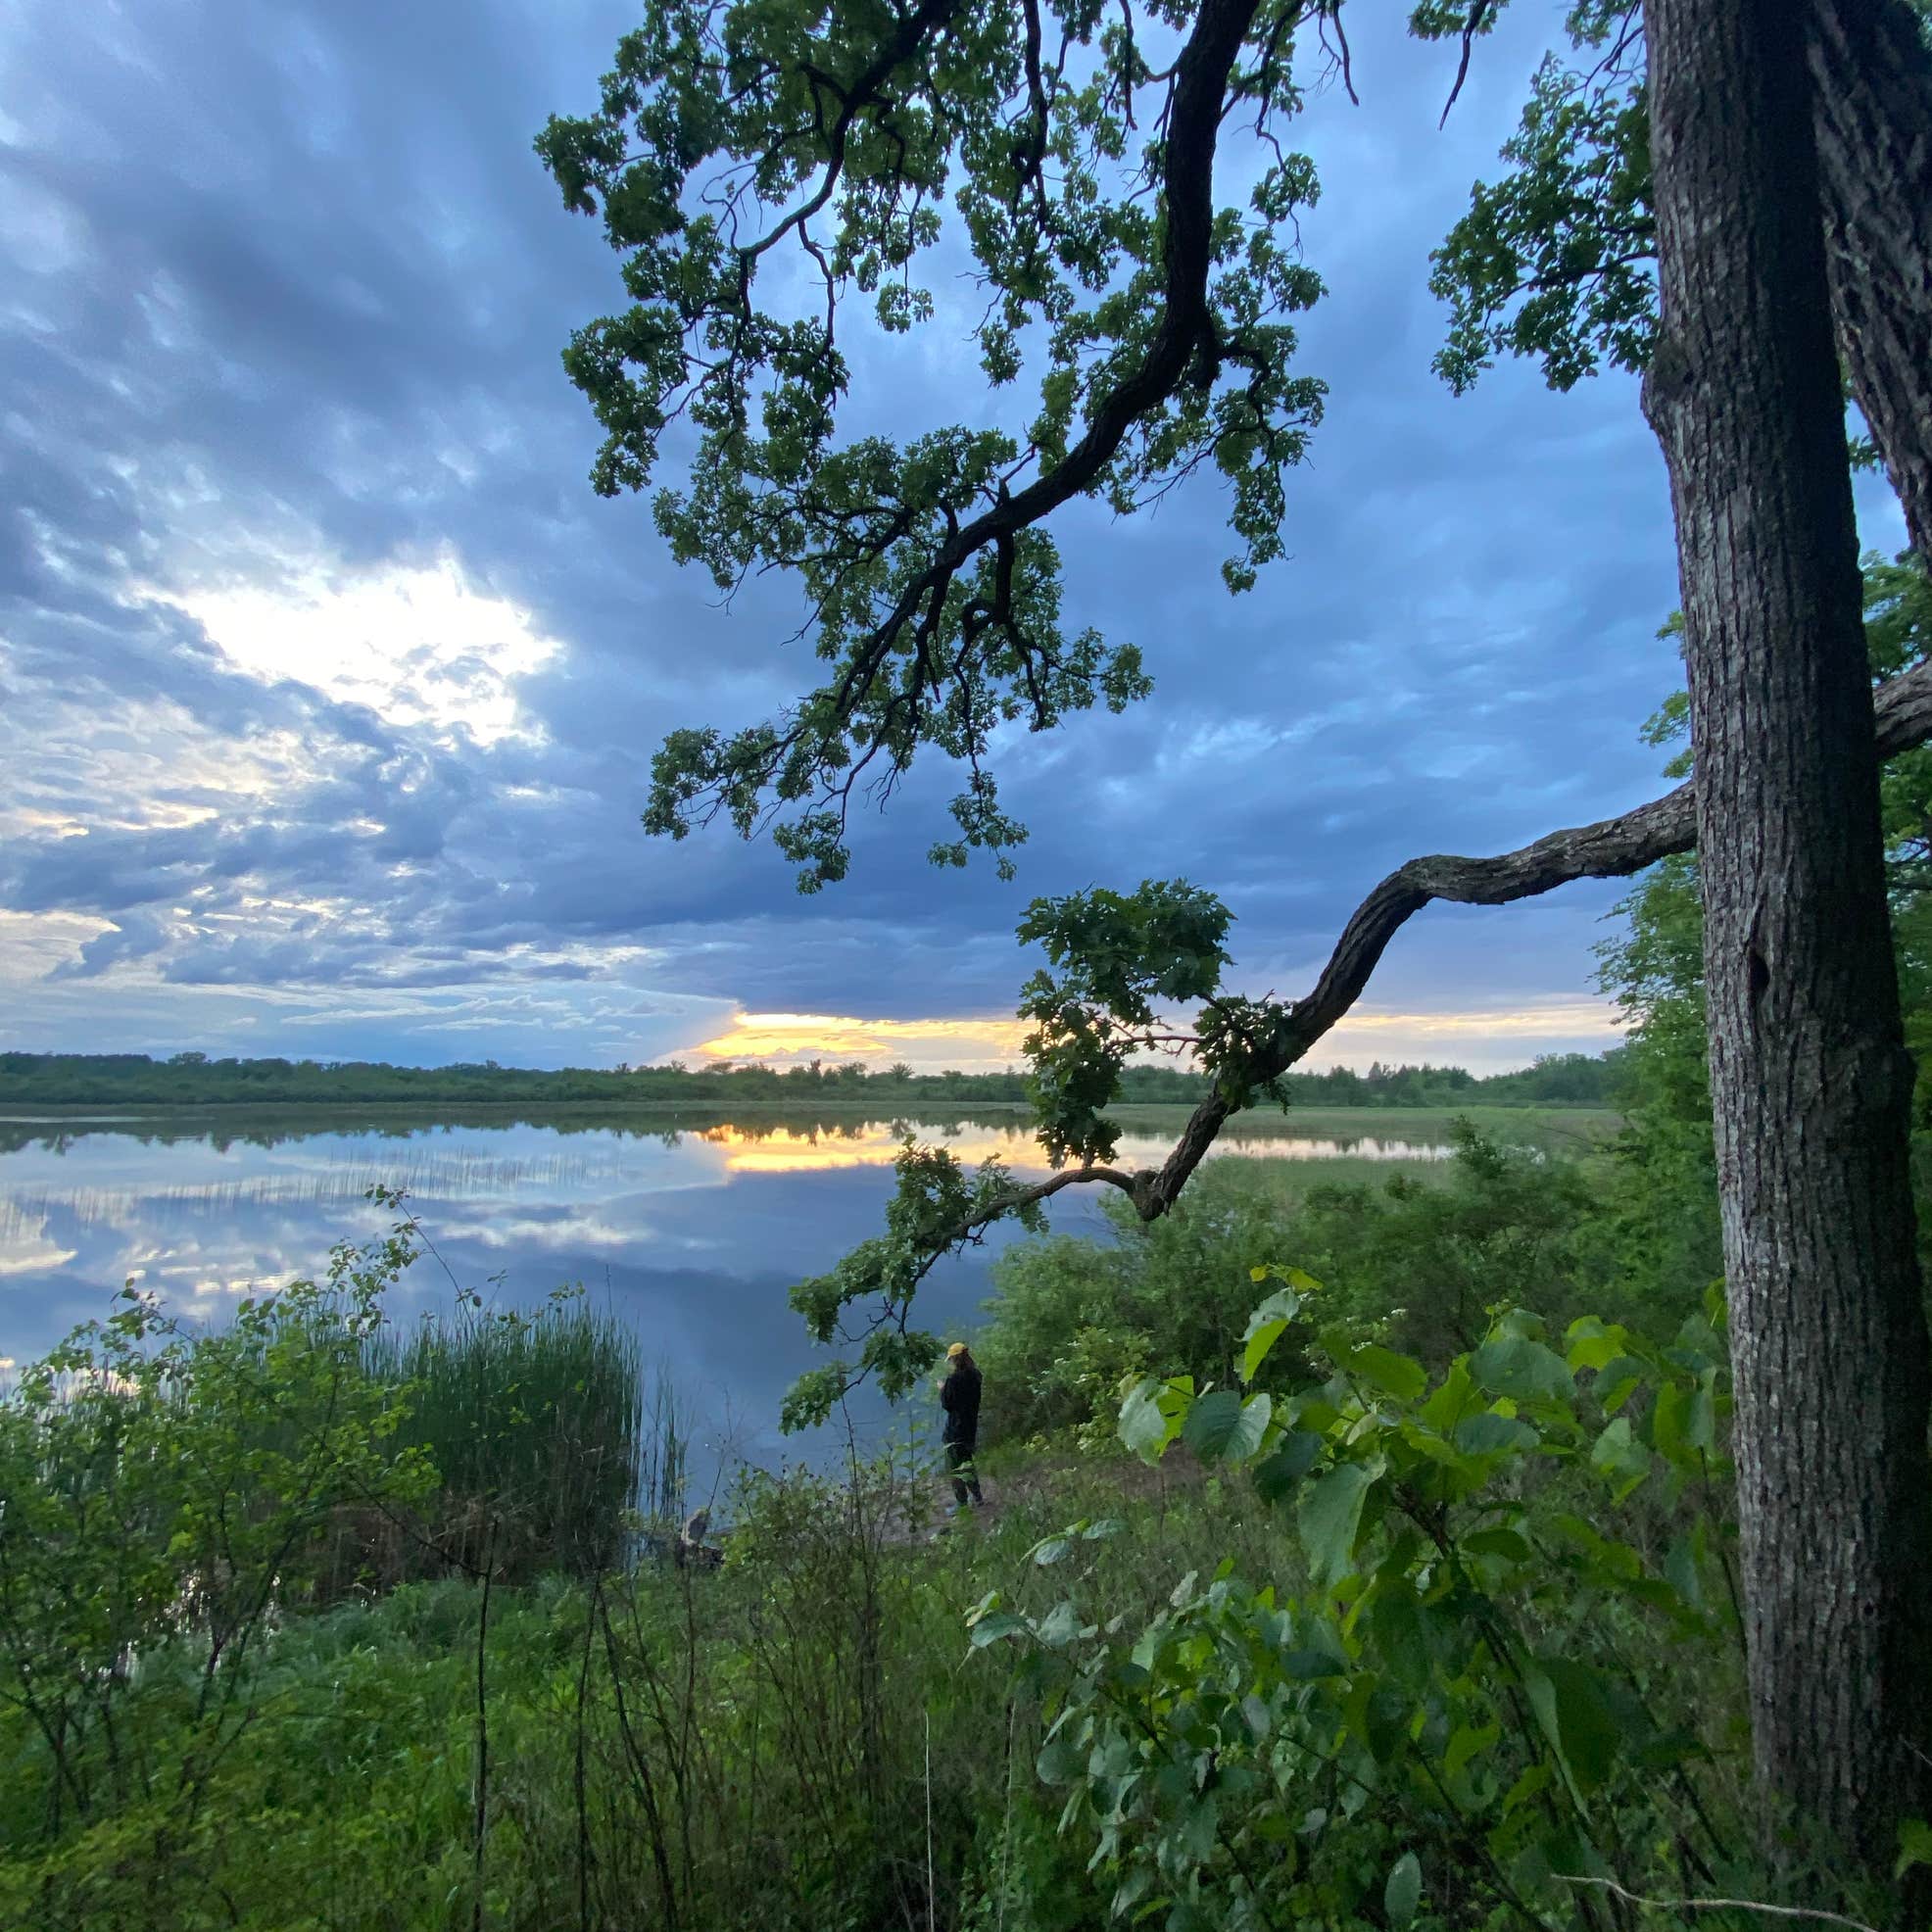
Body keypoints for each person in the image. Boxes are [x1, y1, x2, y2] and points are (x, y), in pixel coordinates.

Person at [940, 1341, 984, 1511]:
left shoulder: (953, 1380)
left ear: (955, 1360)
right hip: (970, 1426)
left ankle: (962, 1503)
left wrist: (942, 1389)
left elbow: (947, 1404)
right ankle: (978, 1497)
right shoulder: (976, 1375)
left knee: (955, 1466)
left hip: (955, 1429)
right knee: (967, 1462)